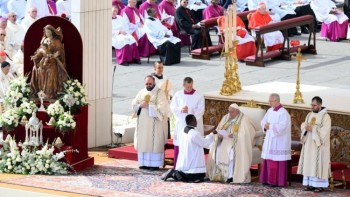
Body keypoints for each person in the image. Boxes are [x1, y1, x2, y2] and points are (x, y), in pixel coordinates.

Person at [207, 103, 256, 183]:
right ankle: (220, 174)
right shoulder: (226, 117)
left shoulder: (244, 119)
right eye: (229, 111)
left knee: (231, 151)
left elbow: (246, 134)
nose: (230, 114)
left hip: (237, 142)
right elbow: (219, 128)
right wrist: (220, 135)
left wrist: (234, 135)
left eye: (232, 112)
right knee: (217, 148)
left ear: (237, 111)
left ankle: (230, 176)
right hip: (224, 140)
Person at [162, 114, 216, 183]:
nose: (196, 122)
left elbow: (197, 140)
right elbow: (205, 144)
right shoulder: (194, 133)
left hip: (184, 160)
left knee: (199, 177)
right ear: (191, 121)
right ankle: (174, 173)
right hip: (192, 163)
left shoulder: (182, 131)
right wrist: (211, 135)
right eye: (195, 120)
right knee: (194, 179)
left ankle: (175, 173)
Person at [132, 75, 168, 170]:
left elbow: (162, 108)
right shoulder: (141, 92)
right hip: (143, 124)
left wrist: (149, 106)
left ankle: (154, 165)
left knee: (154, 143)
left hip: (154, 124)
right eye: (147, 84)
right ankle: (143, 163)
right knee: (143, 142)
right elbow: (134, 104)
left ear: (154, 83)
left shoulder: (160, 93)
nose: (148, 85)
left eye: (150, 83)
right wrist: (140, 105)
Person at [297, 96, 331, 193]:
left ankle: (319, 185)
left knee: (318, 163)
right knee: (309, 163)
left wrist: (313, 129)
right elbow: (304, 125)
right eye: (311, 105)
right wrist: (305, 128)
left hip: (319, 146)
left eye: (314, 105)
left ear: (320, 105)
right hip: (309, 145)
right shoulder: (309, 114)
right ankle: (310, 184)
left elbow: (325, 131)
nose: (312, 107)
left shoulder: (326, 117)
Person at [170, 77, 204, 168]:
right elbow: (173, 107)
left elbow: (201, 110)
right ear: (184, 85)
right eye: (187, 87)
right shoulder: (178, 95)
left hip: (193, 124)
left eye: (191, 86)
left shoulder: (199, 96)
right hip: (181, 123)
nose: (189, 88)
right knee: (180, 143)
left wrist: (190, 110)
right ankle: (178, 167)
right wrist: (180, 109)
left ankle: (192, 167)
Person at [259, 93, 291, 187]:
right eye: (269, 100)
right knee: (268, 159)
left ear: (277, 101)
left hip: (279, 142)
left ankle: (276, 181)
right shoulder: (269, 110)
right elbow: (263, 121)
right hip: (269, 139)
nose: (269, 103)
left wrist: (270, 126)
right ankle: (266, 179)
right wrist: (265, 125)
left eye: (271, 101)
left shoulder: (283, 113)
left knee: (276, 161)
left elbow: (283, 127)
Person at [30, 25, 69, 99]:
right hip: (43, 60)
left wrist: (56, 54)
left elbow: (60, 51)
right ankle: (41, 91)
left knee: (51, 70)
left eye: (48, 32)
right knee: (36, 69)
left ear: (52, 32)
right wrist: (36, 56)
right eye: (46, 32)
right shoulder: (44, 40)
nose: (47, 33)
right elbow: (40, 50)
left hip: (53, 61)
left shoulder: (56, 41)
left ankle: (49, 92)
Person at [151, 61, 173, 139]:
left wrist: (169, 96)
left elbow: (170, 90)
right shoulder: (151, 79)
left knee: (166, 119)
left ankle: (167, 137)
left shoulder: (166, 78)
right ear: (154, 68)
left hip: (165, 102)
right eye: (159, 68)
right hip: (156, 103)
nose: (161, 69)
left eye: (162, 67)